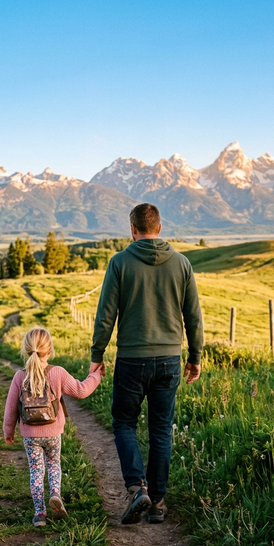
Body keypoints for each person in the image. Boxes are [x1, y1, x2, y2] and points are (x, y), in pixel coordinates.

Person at [90, 203, 203, 524]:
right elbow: (193, 316)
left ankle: (137, 487)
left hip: (131, 359)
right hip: (169, 360)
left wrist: (97, 356)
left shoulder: (119, 263)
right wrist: (195, 357)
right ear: (160, 227)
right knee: (161, 430)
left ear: (133, 229)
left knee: (124, 423)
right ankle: (158, 503)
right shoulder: (182, 264)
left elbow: (105, 315)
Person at [4, 326, 105, 527]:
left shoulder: (19, 376)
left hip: (30, 434)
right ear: (49, 350)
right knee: (53, 464)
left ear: (26, 350)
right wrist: (97, 376)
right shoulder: (57, 373)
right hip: (53, 432)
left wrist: (8, 431)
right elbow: (81, 390)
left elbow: (10, 408)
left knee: (36, 471)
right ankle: (56, 494)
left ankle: (39, 514)